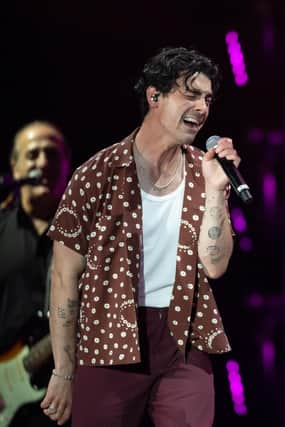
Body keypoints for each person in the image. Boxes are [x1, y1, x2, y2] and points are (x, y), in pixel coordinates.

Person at [40, 47, 239, 426]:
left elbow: (214, 266)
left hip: (184, 336)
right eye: (191, 94)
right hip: (109, 336)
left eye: (208, 98)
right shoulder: (96, 174)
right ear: (154, 96)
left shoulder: (205, 171)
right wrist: (63, 371)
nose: (202, 107)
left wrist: (217, 191)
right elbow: (65, 279)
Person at [0, 121, 71, 427]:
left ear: (67, 165)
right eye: (32, 155)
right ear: (14, 168)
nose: (42, 162)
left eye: (52, 154)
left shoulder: (91, 235)